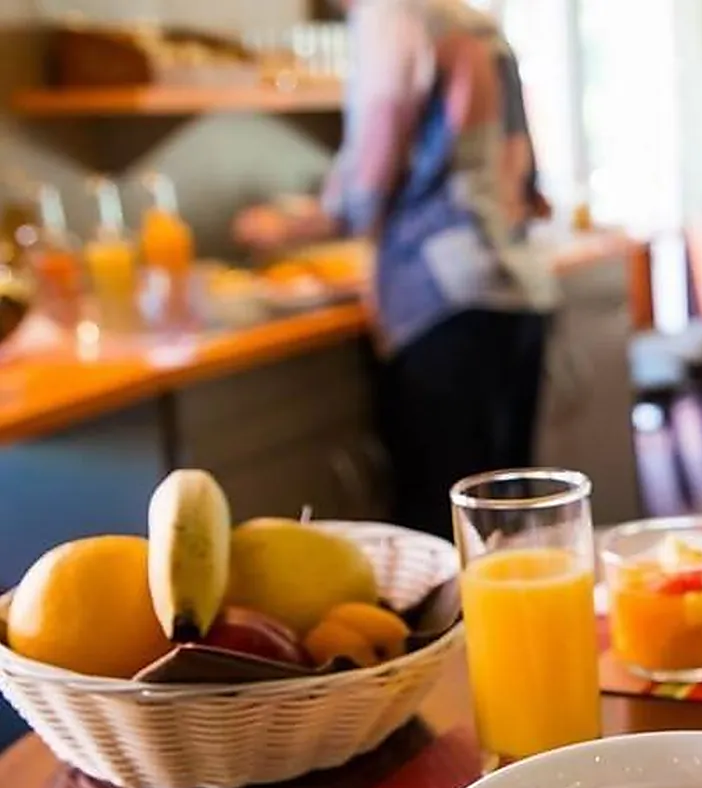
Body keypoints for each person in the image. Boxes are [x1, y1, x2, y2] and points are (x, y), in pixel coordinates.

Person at [235, 0, 554, 539]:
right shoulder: (471, 22)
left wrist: (284, 226)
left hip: (442, 299)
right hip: (517, 286)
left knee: (441, 524)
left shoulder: (391, 15)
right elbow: (520, 167)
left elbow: (370, 173)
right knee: (506, 519)